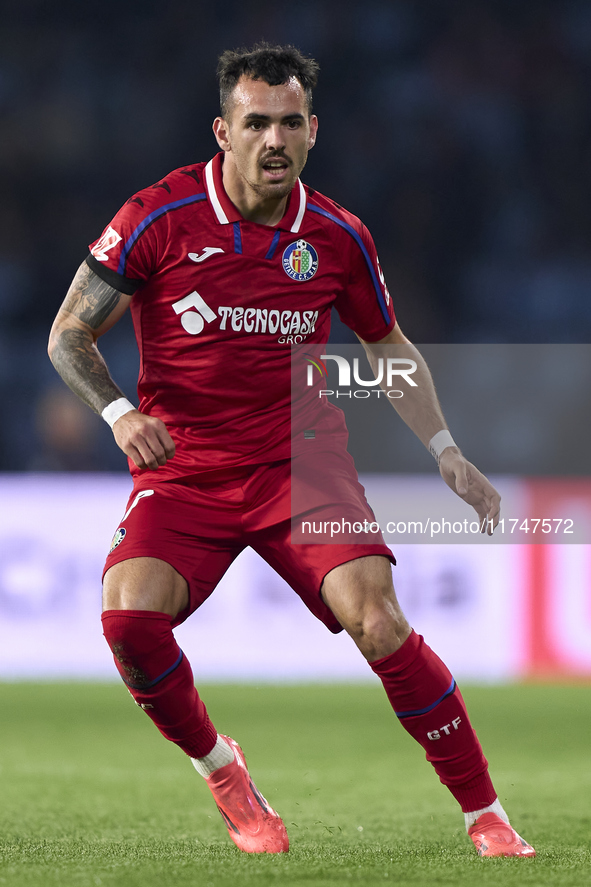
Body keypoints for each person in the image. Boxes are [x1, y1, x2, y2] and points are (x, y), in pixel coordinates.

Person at [48, 43, 534, 858]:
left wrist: (446, 450)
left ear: (313, 130)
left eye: (289, 123)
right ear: (223, 131)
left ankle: (484, 813)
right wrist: (118, 412)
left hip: (299, 465)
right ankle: (223, 769)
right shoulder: (158, 217)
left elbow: (389, 346)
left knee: (378, 621)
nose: (273, 139)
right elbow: (69, 331)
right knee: (129, 620)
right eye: (255, 123)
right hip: (185, 467)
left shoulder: (338, 236)